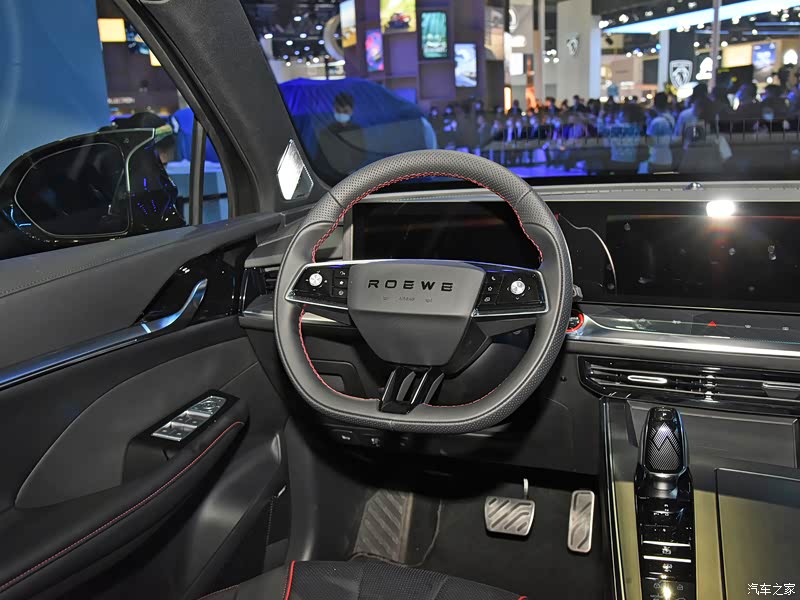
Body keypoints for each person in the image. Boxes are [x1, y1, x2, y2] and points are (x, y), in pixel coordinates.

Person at [314, 92, 366, 178]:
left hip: (351, 176)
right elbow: (320, 159)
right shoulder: (326, 132)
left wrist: (350, 170)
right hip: (330, 176)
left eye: (345, 111)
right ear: (333, 109)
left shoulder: (356, 131)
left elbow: (361, 155)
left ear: (351, 111)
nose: (342, 114)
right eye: (338, 110)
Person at [647, 92, 676, 173]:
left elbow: (650, 141)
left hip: (656, 158)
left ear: (654, 104)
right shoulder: (671, 117)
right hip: (668, 157)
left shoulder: (656, 122)